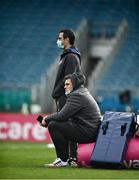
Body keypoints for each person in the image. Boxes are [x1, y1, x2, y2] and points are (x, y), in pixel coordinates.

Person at [40, 73, 101, 167]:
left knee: (54, 125)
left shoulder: (77, 95)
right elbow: (65, 116)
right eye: (65, 84)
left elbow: (62, 115)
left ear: (75, 84)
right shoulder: (81, 92)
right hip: (91, 130)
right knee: (63, 124)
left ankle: (63, 160)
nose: (64, 87)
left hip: (88, 132)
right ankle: (69, 159)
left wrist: (47, 119)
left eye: (67, 84)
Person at [52, 29, 82, 161]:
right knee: (65, 125)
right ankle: (69, 158)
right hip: (62, 96)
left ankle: (69, 158)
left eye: (60, 38)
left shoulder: (70, 56)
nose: (58, 41)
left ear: (67, 39)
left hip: (66, 97)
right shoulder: (67, 55)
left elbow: (69, 80)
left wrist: (64, 95)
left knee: (66, 125)